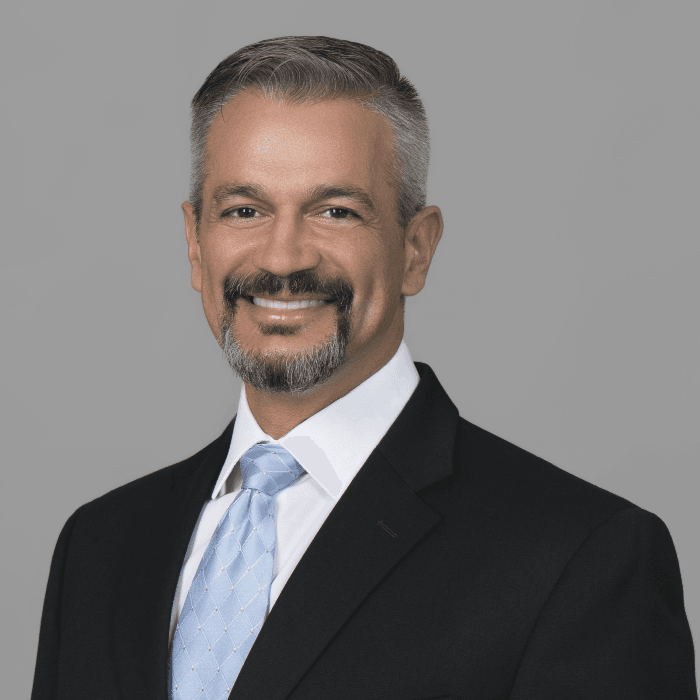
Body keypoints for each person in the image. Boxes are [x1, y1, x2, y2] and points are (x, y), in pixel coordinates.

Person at [31, 36, 697, 700]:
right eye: (244, 210)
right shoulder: (100, 546)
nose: (284, 258)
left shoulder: (579, 557)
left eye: (335, 212)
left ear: (416, 249)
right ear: (195, 243)